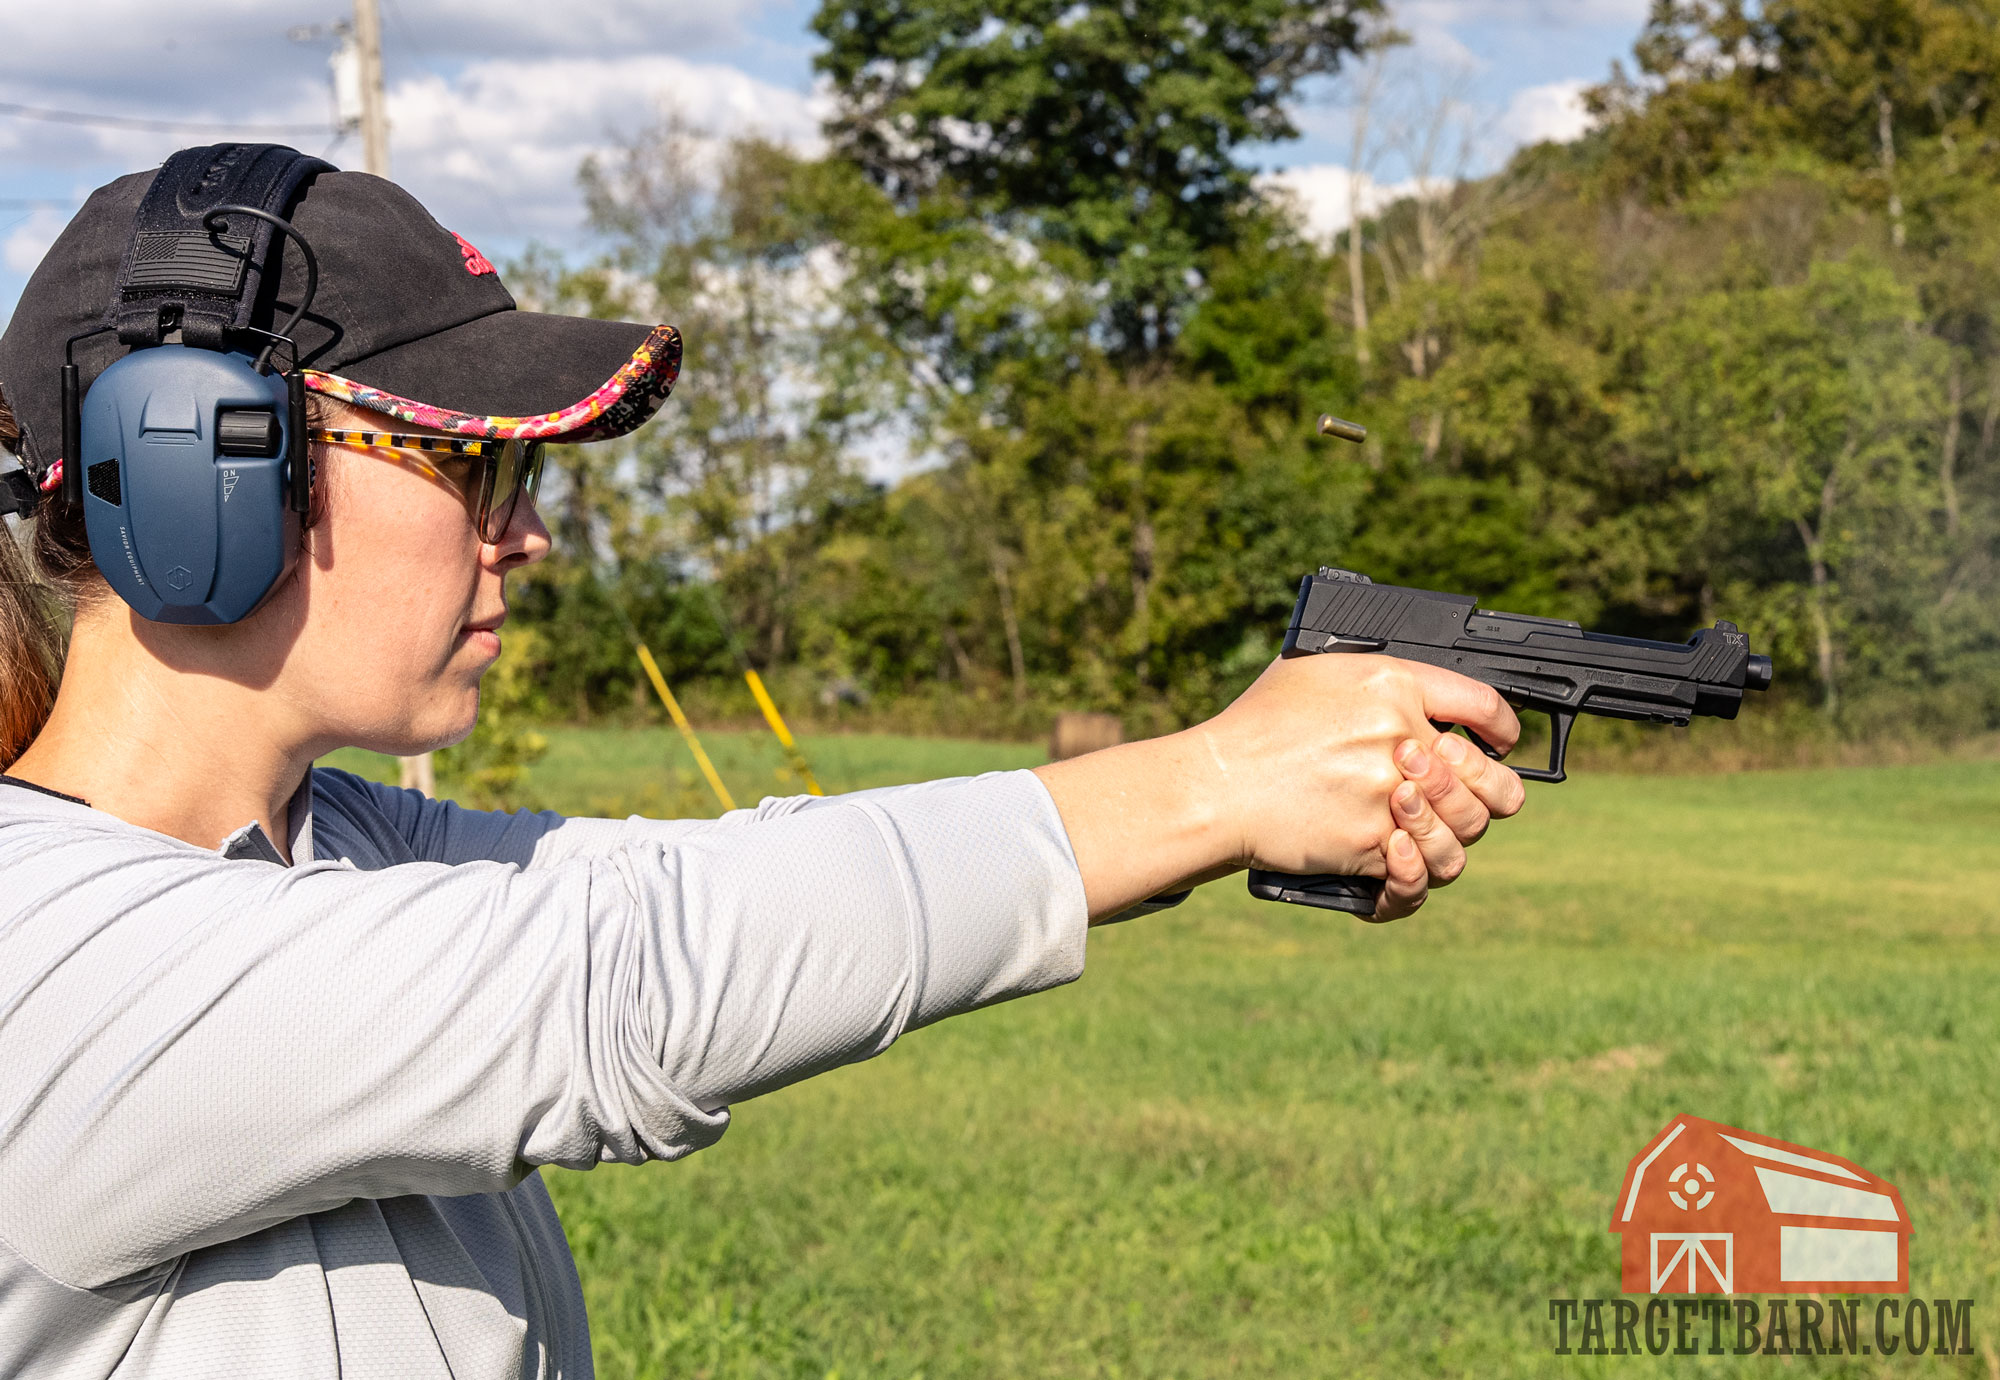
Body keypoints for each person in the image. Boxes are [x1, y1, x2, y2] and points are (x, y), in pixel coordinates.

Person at [0, 158, 1524, 1379]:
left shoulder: (345, 850)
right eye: (476, 463)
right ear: (201, 462)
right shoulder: (40, 959)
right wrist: (1214, 780)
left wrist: (1238, 805)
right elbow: (630, 970)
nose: (526, 531)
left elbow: (698, 880)